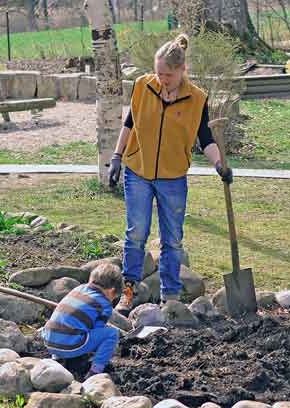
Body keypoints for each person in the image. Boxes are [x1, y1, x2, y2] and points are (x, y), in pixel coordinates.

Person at [109, 33, 233, 313]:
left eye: (167, 74)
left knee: (172, 240)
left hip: (173, 177)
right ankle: (129, 293)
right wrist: (117, 156)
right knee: (136, 233)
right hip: (138, 171)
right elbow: (129, 123)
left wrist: (218, 165)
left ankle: (171, 298)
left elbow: (206, 138)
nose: (161, 79)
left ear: (182, 71)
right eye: (158, 73)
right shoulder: (143, 86)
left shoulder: (197, 98)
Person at [42, 263, 123, 379]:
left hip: (49, 341)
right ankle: (95, 372)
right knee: (111, 334)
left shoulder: (78, 289)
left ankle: (58, 359)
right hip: (70, 345)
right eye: (114, 297)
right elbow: (97, 330)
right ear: (111, 291)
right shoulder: (105, 304)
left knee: (67, 325)